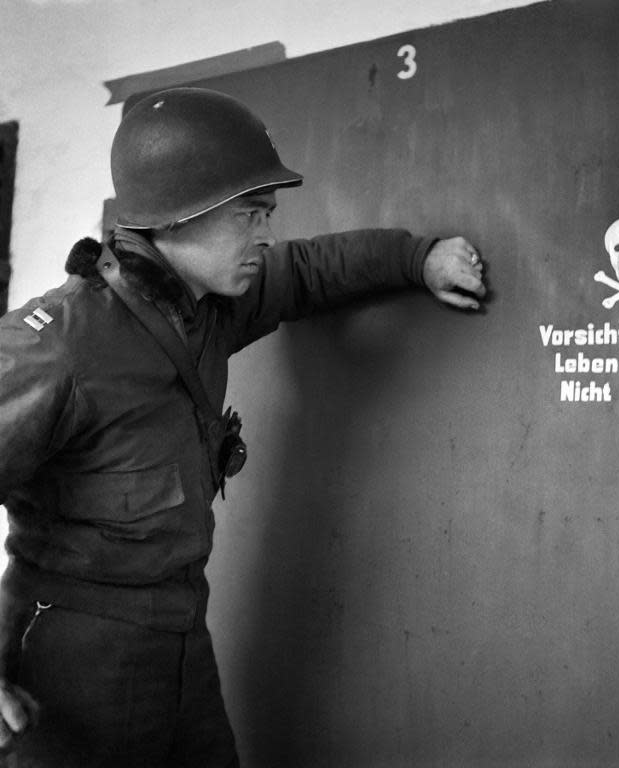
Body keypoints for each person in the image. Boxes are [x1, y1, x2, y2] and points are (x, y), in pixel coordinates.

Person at [0, 87, 486, 767]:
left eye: (267, 215)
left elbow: (310, 270)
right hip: (70, 653)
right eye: (249, 216)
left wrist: (417, 258)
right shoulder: (61, 342)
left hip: (180, 639)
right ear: (174, 218)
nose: (265, 235)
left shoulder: (210, 305)